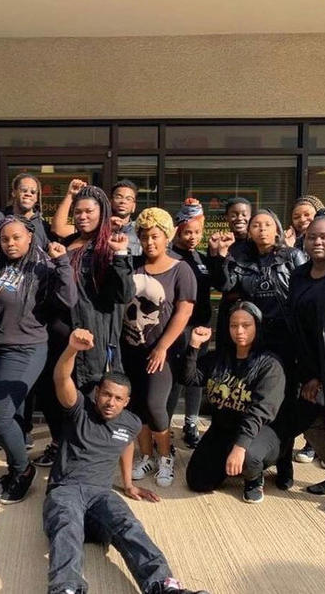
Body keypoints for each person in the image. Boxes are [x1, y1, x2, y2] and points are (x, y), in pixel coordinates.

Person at [43, 328, 209, 594]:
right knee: (67, 526)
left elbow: (125, 446)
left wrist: (129, 484)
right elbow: (61, 377)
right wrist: (72, 349)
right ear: (97, 393)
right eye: (106, 395)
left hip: (101, 494)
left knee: (128, 525)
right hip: (67, 490)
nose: (110, 402)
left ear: (126, 402)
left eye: (118, 398)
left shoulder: (130, 423)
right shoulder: (79, 410)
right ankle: (66, 588)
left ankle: (163, 586)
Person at [0, 215, 77, 504]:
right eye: (5, 239)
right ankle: (14, 472)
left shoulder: (41, 269)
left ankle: (23, 470)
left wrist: (63, 264)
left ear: (30, 237)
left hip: (25, 350)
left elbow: (68, 301)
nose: (10, 243)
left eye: (16, 237)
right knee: (12, 416)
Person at [33, 185, 133, 468]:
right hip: (56, 336)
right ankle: (58, 445)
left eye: (89, 211)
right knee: (54, 394)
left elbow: (124, 294)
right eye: (78, 212)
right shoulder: (68, 243)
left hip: (92, 338)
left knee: (88, 397)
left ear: (103, 213)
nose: (82, 216)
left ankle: (85, 457)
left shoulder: (107, 247)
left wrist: (122, 256)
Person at [207, 209, 307, 489]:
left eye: (267, 224)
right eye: (256, 225)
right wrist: (219, 256)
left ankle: (284, 461)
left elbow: (302, 296)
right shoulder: (241, 257)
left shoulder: (292, 257)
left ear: (276, 229)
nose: (261, 229)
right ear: (249, 231)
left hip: (286, 340)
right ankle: (250, 453)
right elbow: (225, 284)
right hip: (254, 338)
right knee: (253, 399)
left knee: (284, 403)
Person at [182, 302, 286, 503]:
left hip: (261, 431)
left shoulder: (270, 365)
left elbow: (260, 412)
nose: (239, 331)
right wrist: (194, 346)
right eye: (233, 325)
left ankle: (254, 476)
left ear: (257, 326)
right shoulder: (219, 357)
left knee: (248, 457)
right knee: (197, 481)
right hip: (223, 429)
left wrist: (239, 449)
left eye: (246, 325)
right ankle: (235, 461)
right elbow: (190, 379)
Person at [121, 208, 196, 487]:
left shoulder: (181, 269)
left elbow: (183, 312)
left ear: (166, 236)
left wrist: (163, 346)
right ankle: (146, 455)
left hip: (162, 351)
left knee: (155, 405)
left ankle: (166, 456)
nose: (149, 242)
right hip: (131, 348)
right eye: (144, 237)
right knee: (137, 405)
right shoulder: (132, 266)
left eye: (155, 236)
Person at [287, 210, 325, 511]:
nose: (317, 241)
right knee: (310, 420)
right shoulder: (300, 275)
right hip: (308, 363)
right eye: (312, 236)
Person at [167, 199, 211, 448]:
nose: (193, 237)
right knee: (173, 379)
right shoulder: (169, 256)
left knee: (196, 377)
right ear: (178, 230)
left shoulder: (202, 257)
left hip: (201, 327)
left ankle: (191, 423)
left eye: (197, 232)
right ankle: (165, 424)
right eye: (187, 232)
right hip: (176, 326)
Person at [51, 178, 142, 255]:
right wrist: (70, 195)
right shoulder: (90, 228)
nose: (123, 201)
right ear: (109, 203)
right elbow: (58, 229)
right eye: (118, 197)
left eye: (129, 199)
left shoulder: (139, 232)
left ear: (134, 206)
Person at [207, 196, 252, 353]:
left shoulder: (256, 243)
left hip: (254, 305)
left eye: (244, 214)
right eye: (234, 214)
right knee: (227, 352)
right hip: (229, 307)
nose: (239, 218)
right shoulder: (220, 242)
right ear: (226, 217)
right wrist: (216, 254)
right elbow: (219, 283)